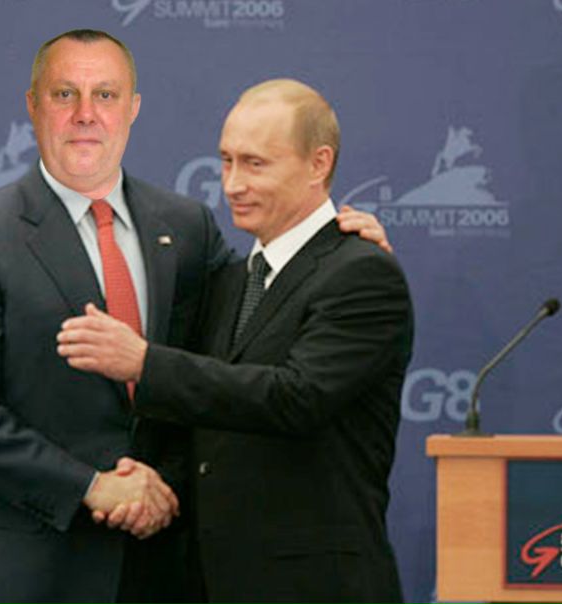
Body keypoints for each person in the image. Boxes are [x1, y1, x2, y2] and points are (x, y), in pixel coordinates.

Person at [0, 30, 390, 604]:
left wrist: (335, 248)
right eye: (65, 94)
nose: (86, 114)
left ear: (133, 108)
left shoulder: (187, 227)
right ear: (33, 105)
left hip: (161, 566)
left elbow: (258, 329)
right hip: (28, 567)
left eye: (106, 95)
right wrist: (90, 486)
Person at [58, 78, 413, 603]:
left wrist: (144, 363)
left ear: (318, 164)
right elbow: (213, 425)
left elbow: (297, 398)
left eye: (255, 164)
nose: (232, 184)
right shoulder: (231, 280)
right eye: (226, 162)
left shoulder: (361, 273)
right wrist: (154, 483)